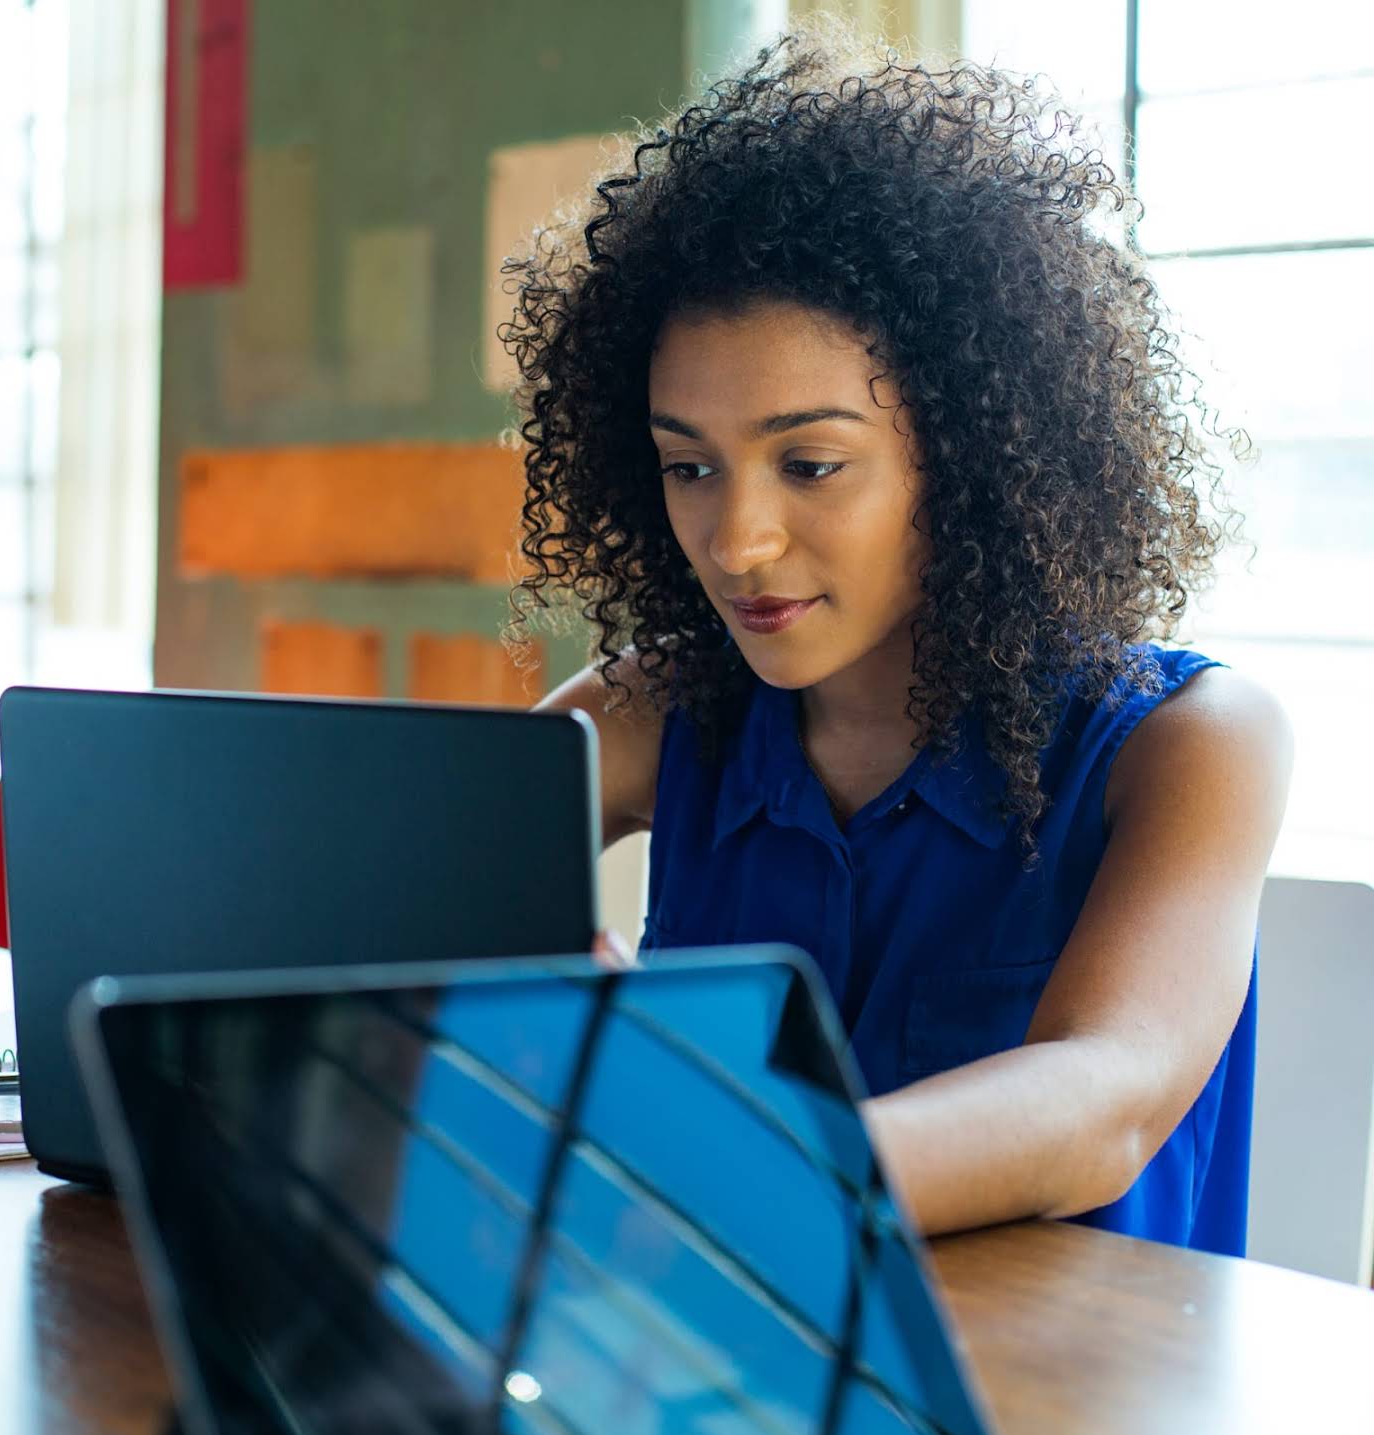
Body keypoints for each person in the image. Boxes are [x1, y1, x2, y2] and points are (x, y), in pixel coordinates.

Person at [508, 24, 1291, 1254]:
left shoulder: (1188, 744)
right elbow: (372, 925)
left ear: (973, 455)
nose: (737, 539)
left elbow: (1105, 1100)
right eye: (688, 466)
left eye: (809, 463)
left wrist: (708, 1144)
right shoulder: (650, 714)